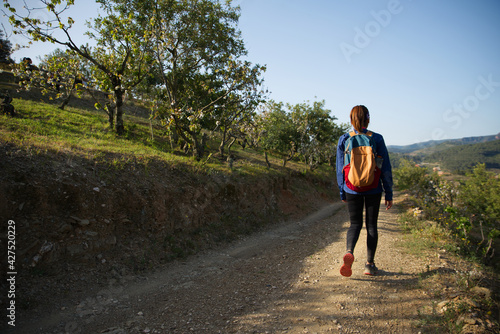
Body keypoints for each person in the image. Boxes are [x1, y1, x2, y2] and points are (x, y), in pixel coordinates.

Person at [336, 105, 393, 276]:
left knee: (354, 224)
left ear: (351, 119)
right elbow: (385, 168)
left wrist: (342, 191)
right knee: (371, 226)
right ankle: (369, 264)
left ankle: (349, 252)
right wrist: (388, 193)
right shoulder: (377, 139)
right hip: (373, 188)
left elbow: (340, 168)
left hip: (351, 188)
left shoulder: (344, 139)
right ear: (368, 119)